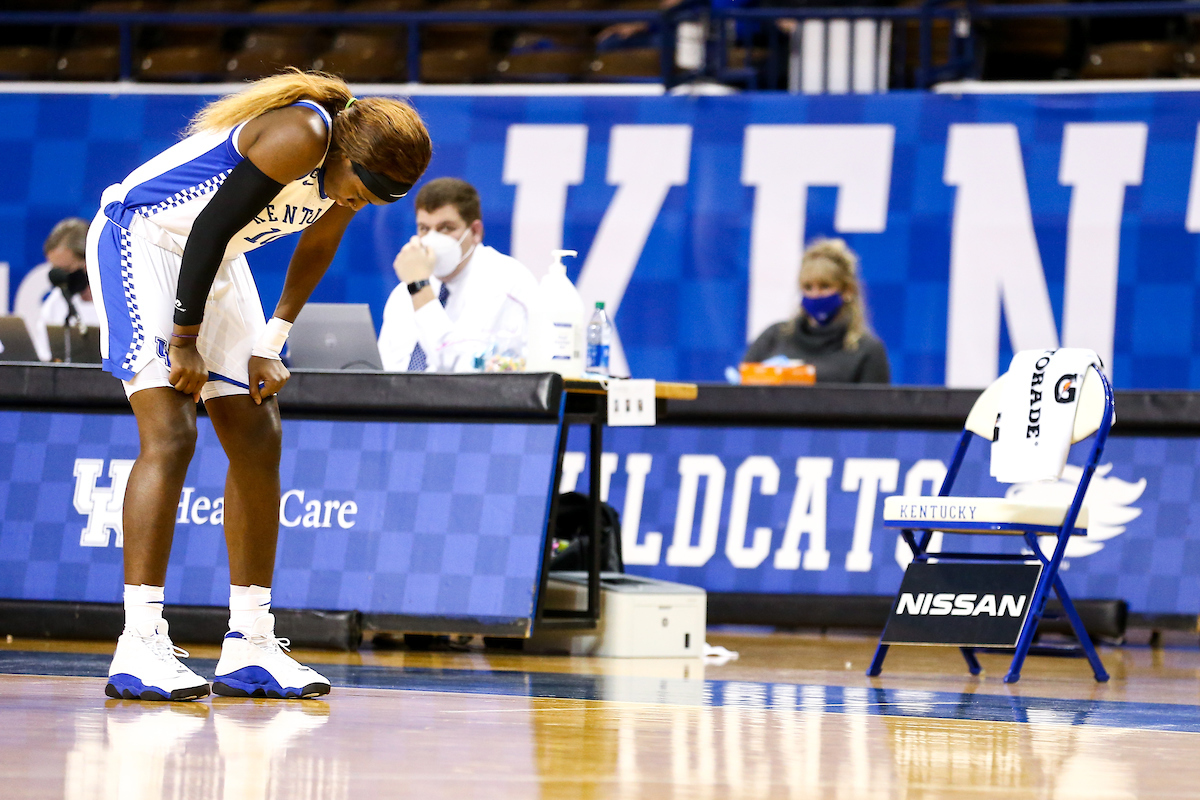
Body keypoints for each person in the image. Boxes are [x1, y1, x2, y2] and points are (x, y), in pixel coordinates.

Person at [85, 70, 431, 701]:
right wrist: (184, 343)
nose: (360, 203)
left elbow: (316, 245)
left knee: (257, 435)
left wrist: (270, 343)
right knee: (172, 433)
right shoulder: (301, 132)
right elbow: (210, 228)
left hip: (214, 262)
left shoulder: (348, 181)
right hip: (144, 241)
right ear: (347, 155)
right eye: (362, 190)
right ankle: (139, 644)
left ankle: (250, 643)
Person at [378, 178, 539, 372]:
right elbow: (385, 369)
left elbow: (458, 368)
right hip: (401, 401)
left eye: (446, 228)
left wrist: (419, 288)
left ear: (475, 231)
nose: (432, 239)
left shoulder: (505, 281)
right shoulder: (405, 292)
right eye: (424, 229)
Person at [742, 238, 890, 383]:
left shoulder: (866, 350)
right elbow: (741, 395)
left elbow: (875, 406)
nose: (815, 294)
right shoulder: (774, 337)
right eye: (808, 287)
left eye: (824, 286)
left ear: (847, 290)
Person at [25, 218, 101, 362]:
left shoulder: (121, 300)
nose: (63, 279)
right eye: (57, 271)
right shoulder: (56, 301)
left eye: (66, 270)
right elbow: (44, 355)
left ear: (90, 261)